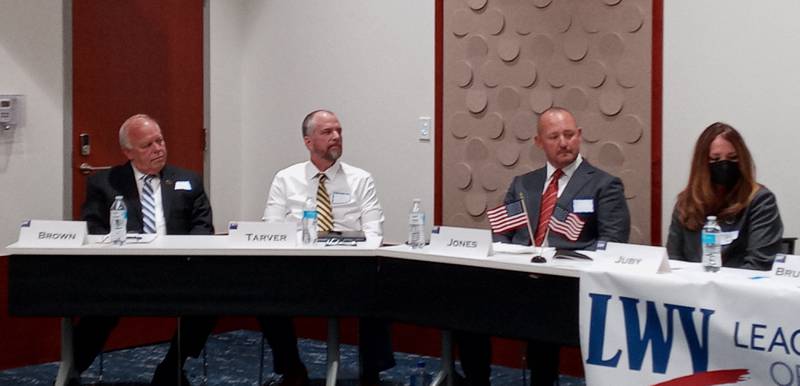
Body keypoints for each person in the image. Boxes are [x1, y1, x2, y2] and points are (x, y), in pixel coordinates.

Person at [456, 107, 630, 386]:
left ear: (580, 136)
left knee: (542, 327)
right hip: (520, 280)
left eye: (569, 135)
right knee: (466, 304)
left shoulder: (604, 185)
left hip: (566, 287)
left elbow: (613, 244)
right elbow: (502, 234)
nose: (564, 142)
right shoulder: (524, 183)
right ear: (539, 142)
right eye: (554, 136)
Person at [72, 114, 215, 386]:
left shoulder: (188, 180)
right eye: (147, 145)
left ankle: (172, 367)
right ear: (128, 152)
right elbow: (93, 227)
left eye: (160, 141)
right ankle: (73, 368)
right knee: (98, 305)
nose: (158, 148)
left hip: (178, 270)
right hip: (124, 271)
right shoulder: (105, 183)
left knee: (210, 301)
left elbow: (203, 227)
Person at [259, 109, 394, 386]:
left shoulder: (360, 179)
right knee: (264, 295)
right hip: (299, 267)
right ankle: (292, 369)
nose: (336, 137)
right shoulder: (286, 179)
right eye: (327, 132)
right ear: (309, 142)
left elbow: (373, 232)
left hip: (349, 268)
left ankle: (371, 373)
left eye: (339, 131)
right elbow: (272, 229)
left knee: (378, 289)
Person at [667, 122, 783, 270]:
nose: (724, 165)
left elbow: (759, 264)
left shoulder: (760, 201)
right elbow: (674, 260)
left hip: (741, 289)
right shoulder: (686, 202)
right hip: (692, 289)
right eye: (715, 159)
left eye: (733, 157)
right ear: (702, 163)